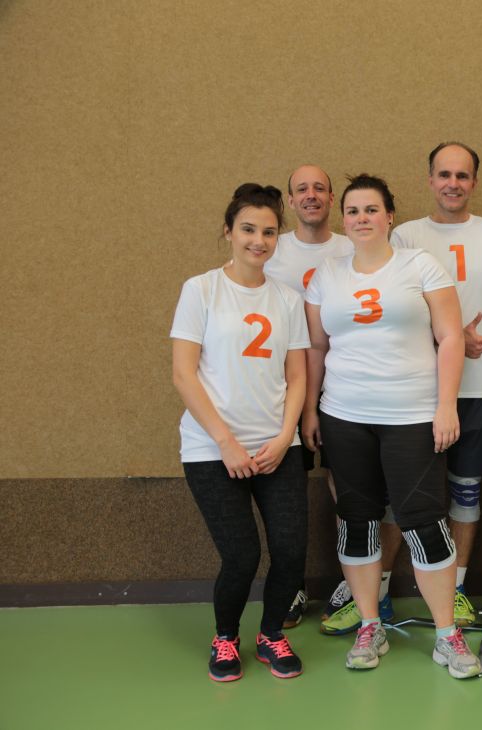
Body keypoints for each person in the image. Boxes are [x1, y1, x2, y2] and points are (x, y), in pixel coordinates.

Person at [302, 173, 482, 678]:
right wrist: (311, 410)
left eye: (371, 209)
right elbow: (316, 347)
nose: (361, 218)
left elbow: (451, 337)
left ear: (389, 216)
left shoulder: (420, 265)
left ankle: (447, 634)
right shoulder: (326, 275)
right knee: (356, 520)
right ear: (344, 219)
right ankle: (369, 624)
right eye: (353, 211)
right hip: (345, 416)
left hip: (411, 416)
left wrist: (445, 406)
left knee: (424, 521)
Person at [170, 183, 309, 682]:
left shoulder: (287, 299)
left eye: (269, 232)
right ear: (228, 231)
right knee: (242, 555)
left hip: (277, 447)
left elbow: (298, 376)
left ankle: (271, 634)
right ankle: (225, 638)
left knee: (291, 551)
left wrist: (285, 435)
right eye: (248, 229)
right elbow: (183, 374)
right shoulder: (201, 289)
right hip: (213, 450)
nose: (259, 240)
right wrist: (226, 443)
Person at [383, 141, 482, 627]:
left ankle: (456, 590)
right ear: (429, 179)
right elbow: (394, 310)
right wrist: (448, 340)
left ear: (474, 182)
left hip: (480, 391)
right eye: (444, 174)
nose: (453, 183)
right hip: (417, 392)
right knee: (402, 497)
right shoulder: (405, 236)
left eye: (463, 175)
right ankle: (378, 590)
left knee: (466, 494)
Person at [263, 164, 355, 631]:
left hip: (341, 387)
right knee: (289, 496)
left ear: (332, 197)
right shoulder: (271, 250)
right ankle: (292, 586)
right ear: (291, 200)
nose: (311, 195)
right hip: (281, 391)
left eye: (320, 188)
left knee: (347, 488)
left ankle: (352, 586)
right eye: (302, 189)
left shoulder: (351, 246)